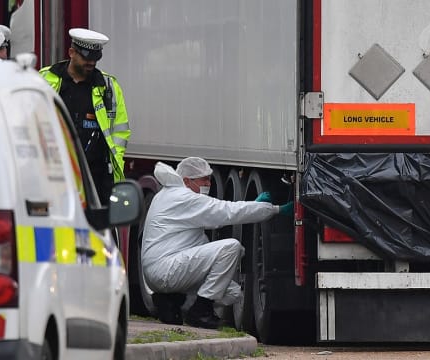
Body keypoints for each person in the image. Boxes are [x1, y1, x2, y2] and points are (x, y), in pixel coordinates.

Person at [141, 157, 293, 329]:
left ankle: (172, 303)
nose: (209, 183)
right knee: (231, 248)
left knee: (232, 292)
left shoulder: (167, 194)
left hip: (162, 271)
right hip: (166, 270)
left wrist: (252, 206)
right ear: (186, 181)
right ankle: (200, 311)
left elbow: (212, 219)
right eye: (203, 179)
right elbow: (226, 212)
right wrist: (275, 210)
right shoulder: (183, 197)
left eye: (210, 178)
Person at [39, 28, 130, 205]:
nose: (91, 62)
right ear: (71, 52)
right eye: (86, 57)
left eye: (96, 58)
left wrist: (113, 162)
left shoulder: (108, 86)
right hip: (54, 175)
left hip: (96, 177)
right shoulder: (44, 79)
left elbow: (121, 130)